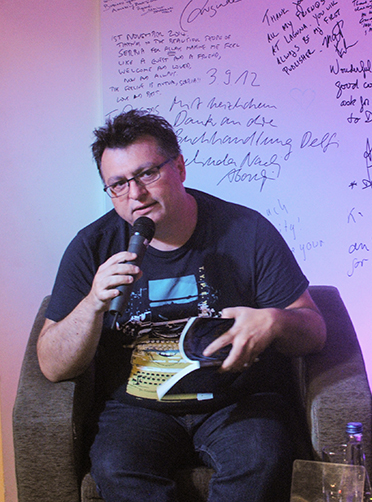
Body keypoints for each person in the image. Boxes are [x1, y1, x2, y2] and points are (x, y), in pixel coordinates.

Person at [37, 109, 326, 502]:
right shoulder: (93, 245)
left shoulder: (247, 230)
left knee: (262, 457)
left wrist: (275, 321)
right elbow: (52, 366)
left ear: (180, 167)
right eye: (118, 184)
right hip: (137, 409)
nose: (135, 194)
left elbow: (314, 330)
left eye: (147, 174)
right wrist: (91, 304)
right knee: (116, 468)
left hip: (236, 400)